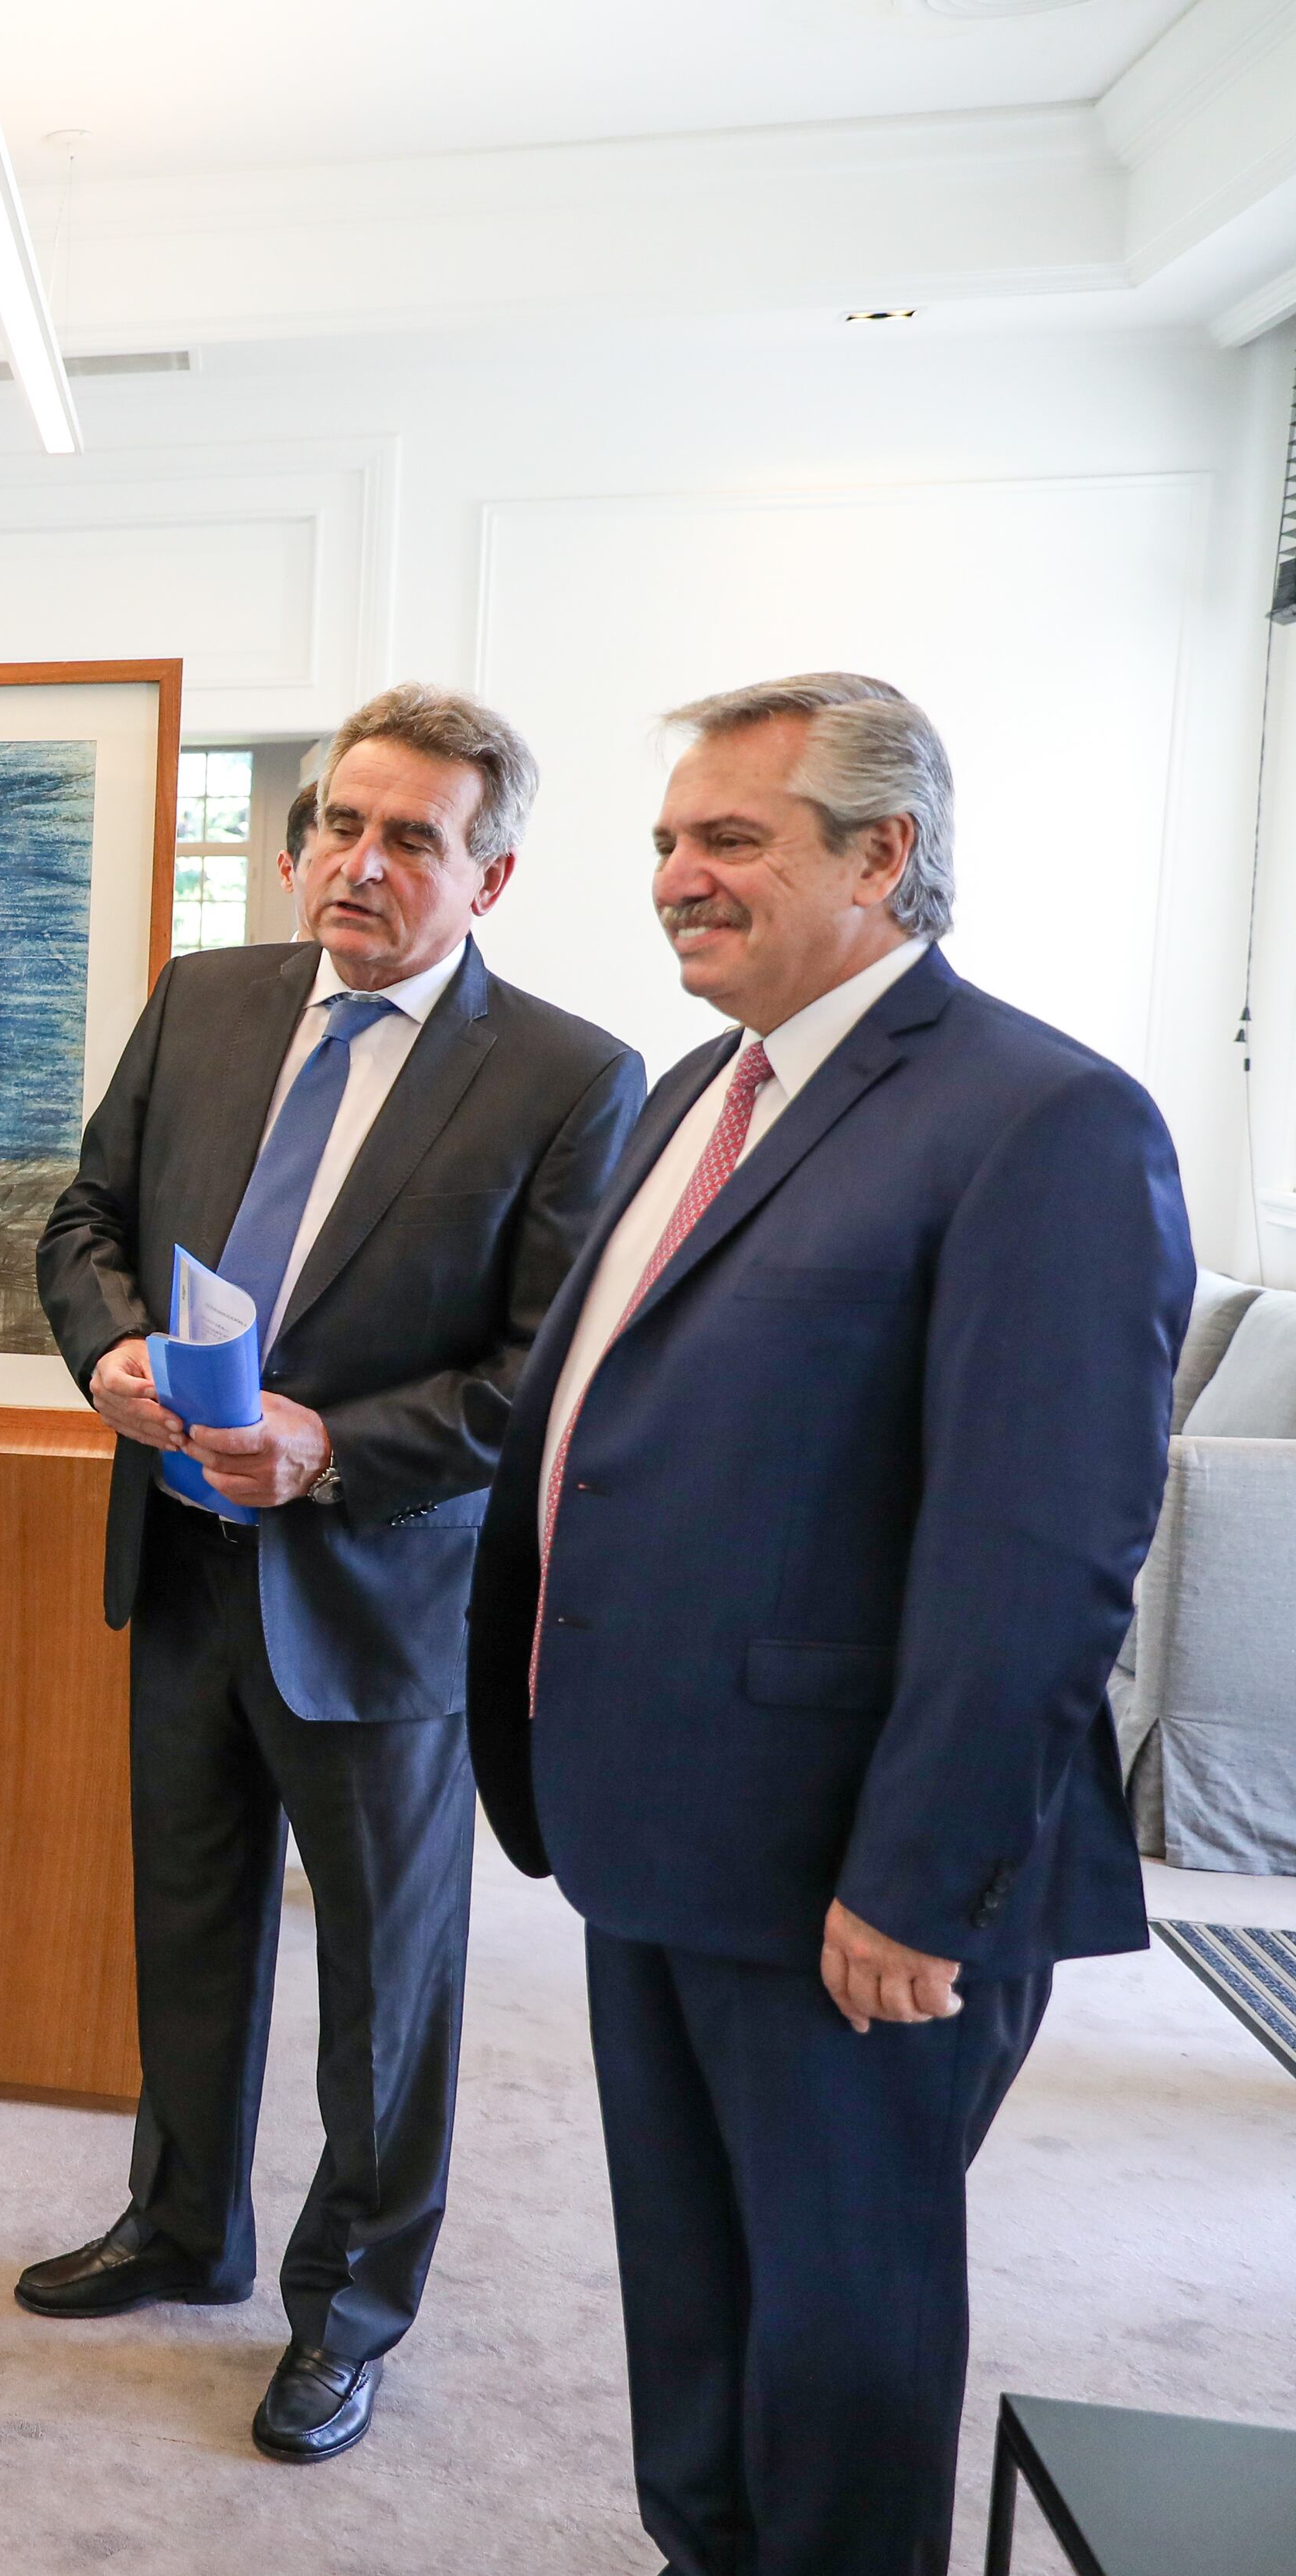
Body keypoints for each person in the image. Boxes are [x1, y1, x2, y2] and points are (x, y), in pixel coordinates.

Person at [468, 675, 1184, 2575]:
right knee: (695, 2308)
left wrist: (914, 1879)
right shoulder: (706, 1083)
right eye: (665, 843)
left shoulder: (1042, 1118)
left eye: (730, 840)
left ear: (883, 855)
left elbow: (1040, 1549)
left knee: (843, 2332)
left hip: (851, 1874)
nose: (676, 881)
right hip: (657, 1828)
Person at [29, 684, 644, 2464]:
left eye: (409, 839)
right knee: (189, 1918)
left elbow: (546, 1378)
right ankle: (181, 2222)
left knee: (386, 1984)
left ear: (491, 873)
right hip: (183, 1562)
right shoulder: (206, 1000)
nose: (356, 865)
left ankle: (348, 2311)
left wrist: (330, 1445)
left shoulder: (564, 1077)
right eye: (337, 825)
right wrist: (112, 1357)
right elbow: (81, 1219)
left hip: (377, 1602)